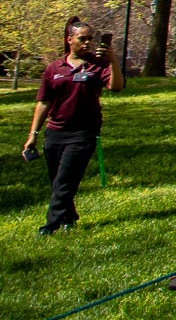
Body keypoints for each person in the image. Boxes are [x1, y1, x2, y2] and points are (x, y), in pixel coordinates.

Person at [22, 18, 123, 234]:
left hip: (83, 132)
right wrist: (33, 134)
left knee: (66, 179)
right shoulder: (53, 69)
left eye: (90, 39)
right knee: (58, 180)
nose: (87, 43)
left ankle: (51, 224)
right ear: (70, 40)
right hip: (55, 131)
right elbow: (43, 103)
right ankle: (69, 217)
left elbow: (116, 86)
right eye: (82, 39)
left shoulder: (98, 65)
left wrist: (113, 59)